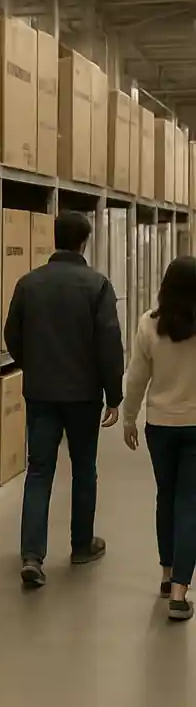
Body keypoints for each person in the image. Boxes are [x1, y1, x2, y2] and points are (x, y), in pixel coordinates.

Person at [4, 210, 123, 588]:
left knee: (39, 471)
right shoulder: (97, 286)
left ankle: (31, 556)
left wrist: (34, 365)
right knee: (83, 468)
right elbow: (109, 343)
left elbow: (12, 335)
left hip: (41, 393)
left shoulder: (29, 284)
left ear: (54, 238)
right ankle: (81, 545)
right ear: (84, 242)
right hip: (84, 396)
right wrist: (114, 395)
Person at [122, 256, 196, 622]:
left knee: (165, 497)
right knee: (189, 504)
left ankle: (167, 575)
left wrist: (129, 418)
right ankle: (180, 593)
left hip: (160, 427)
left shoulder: (148, 324)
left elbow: (137, 377)